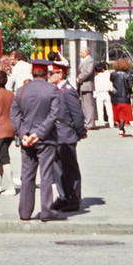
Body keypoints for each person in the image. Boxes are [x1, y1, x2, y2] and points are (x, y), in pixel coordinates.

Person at [11, 60, 63, 222]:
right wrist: (39, 134)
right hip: (46, 139)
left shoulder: (21, 91)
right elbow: (53, 115)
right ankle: (47, 211)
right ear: (46, 74)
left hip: (26, 139)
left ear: (32, 73)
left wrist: (23, 134)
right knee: (46, 174)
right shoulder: (52, 90)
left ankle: (25, 212)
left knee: (27, 175)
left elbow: (14, 114)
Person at [49, 62, 86, 212]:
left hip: (66, 132)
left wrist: (79, 131)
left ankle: (74, 198)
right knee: (57, 169)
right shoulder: (56, 89)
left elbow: (77, 113)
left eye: (52, 73)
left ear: (60, 74)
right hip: (56, 133)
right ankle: (63, 196)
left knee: (70, 169)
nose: (49, 76)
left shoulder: (68, 90)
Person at [110, 58, 133, 136]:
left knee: (117, 113)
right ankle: (121, 129)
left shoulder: (113, 75)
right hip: (125, 97)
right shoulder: (128, 75)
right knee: (123, 114)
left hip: (115, 97)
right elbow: (130, 87)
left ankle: (121, 128)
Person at [76, 47, 96, 129]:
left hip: (87, 85)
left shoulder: (90, 60)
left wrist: (80, 78)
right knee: (84, 105)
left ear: (87, 52)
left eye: (81, 52)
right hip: (82, 86)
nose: (80, 53)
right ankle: (86, 122)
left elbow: (88, 71)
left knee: (88, 105)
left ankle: (90, 123)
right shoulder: (83, 60)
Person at [92, 63, 113, 128]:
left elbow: (95, 87)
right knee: (109, 109)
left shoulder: (96, 78)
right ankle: (111, 122)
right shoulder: (106, 76)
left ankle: (101, 122)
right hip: (106, 93)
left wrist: (94, 94)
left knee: (100, 109)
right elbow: (110, 85)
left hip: (99, 94)